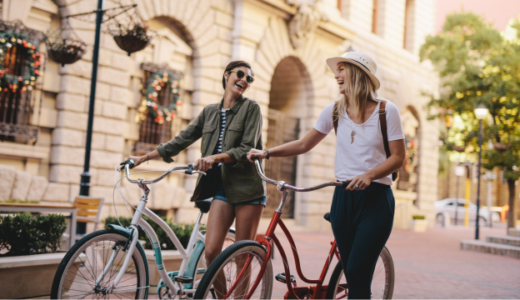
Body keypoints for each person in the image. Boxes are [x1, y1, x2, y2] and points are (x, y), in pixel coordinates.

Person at [248, 52, 405, 299]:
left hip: (376, 200)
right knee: (352, 275)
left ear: (358, 74)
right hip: (343, 197)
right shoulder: (334, 111)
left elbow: (398, 157)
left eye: (342, 69)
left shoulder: (387, 111)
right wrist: (266, 153)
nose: (336, 75)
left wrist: (369, 174)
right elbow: (303, 144)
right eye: (337, 70)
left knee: (356, 271)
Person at [128, 61, 266, 291]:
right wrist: (142, 158)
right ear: (227, 75)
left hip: (247, 188)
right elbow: (180, 140)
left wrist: (214, 158)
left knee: (242, 254)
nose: (243, 80)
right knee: (212, 252)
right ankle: (223, 298)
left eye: (248, 78)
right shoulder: (209, 112)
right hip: (221, 188)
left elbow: (246, 149)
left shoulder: (251, 108)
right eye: (239, 74)